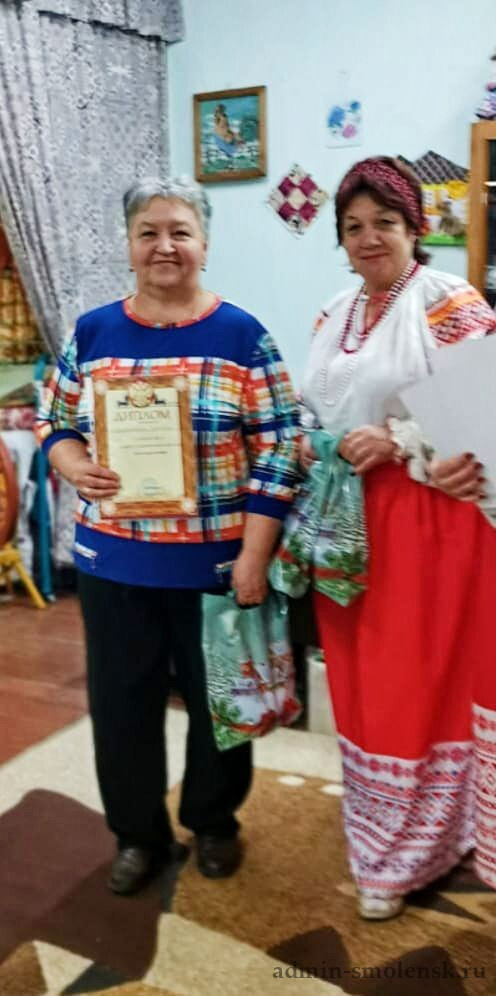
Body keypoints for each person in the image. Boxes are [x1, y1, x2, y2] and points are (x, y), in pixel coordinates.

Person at [35, 176, 299, 895]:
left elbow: (280, 446)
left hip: (216, 567)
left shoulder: (243, 335)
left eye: (180, 231)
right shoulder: (93, 332)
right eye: (148, 232)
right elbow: (54, 420)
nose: (164, 246)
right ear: (128, 244)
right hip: (113, 561)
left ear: (204, 244)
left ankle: (214, 822)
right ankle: (137, 834)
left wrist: (254, 555)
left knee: (221, 707)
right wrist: (74, 463)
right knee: (122, 709)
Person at [300, 156, 496, 920]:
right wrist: (313, 440)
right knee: (362, 682)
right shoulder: (333, 312)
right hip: (348, 523)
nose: (369, 237)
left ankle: (424, 848)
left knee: (419, 681)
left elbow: (485, 405)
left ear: (415, 227)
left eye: (384, 221)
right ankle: (383, 839)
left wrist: (399, 439)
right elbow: (319, 404)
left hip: (432, 521)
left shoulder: (447, 301)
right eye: (353, 226)